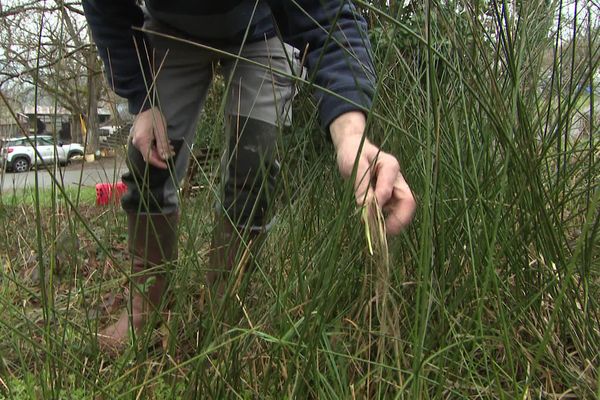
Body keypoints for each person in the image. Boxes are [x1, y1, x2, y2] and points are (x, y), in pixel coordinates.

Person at [82, 0, 416, 352]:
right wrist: (142, 99)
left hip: (262, 28)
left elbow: (326, 19)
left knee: (254, 167)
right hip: (170, 30)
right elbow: (105, 10)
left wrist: (350, 134)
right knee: (148, 160)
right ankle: (144, 304)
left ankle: (224, 306)